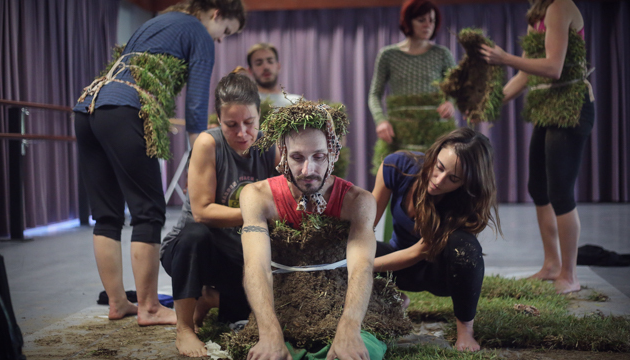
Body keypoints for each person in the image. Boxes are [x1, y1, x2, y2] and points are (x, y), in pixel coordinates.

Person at [72, 0, 246, 326]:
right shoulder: (199, 33)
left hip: (88, 107)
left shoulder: (159, 23)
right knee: (148, 212)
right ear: (217, 13)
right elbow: (196, 102)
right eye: (225, 32)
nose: (220, 39)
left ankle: (117, 303)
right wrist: (204, 154)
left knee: (107, 215)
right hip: (125, 110)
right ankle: (149, 307)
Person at [238, 101, 404, 360]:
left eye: (318, 157)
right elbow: (256, 266)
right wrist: (270, 333)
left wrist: (349, 327)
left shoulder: (357, 202)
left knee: (357, 353)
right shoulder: (257, 196)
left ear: (333, 153)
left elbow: (361, 266)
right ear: (283, 154)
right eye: (297, 158)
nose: (308, 170)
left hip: (340, 294)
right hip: (285, 300)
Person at [160, 72, 279, 357]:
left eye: (249, 123)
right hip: (191, 252)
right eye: (231, 125)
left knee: (241, 316)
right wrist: (258, 213)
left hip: (241, 256)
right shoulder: (208, 143)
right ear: (218, 120)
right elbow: (201, 212)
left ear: (259, 116)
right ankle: (184, 329)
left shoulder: (269, 146)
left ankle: (209, 298)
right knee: (195, 234)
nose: (242, 133)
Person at [480, 0, 594, 294]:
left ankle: (569, 275)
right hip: (548, 107)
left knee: (560, 192)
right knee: (538, 189)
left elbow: (553, 67)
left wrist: (505, 58)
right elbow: (526, 74)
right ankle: (552, 265)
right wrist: (489, 105)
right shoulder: (537, 16)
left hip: (572, 106)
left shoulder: (560, 6)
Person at [371, 128, 501, 351]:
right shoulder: (397, 166)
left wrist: (362, 266)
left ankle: (465, 331)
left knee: (465, 248)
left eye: (453, 178)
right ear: (435, 153)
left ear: (466, 182)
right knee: (345, 246)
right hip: (397, 266)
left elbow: (418, 253)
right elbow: (366, 225)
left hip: (437, 274)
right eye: (439, 167)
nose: (439, 180)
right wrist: (352, 259)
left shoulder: (462, 204)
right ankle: (390, 296)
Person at [369, 0, 456, 145]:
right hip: (399, 134)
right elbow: (374, 94)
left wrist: (450, 103)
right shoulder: (388, 55)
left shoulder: (442, 54)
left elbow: (456, 89)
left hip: (437, 133)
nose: (428, 25)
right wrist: (381, 121)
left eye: (432, 20)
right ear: (408, 21)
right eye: (421, 20)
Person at [247, 43, 302, 107]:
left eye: (270, 61)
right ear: (250, 70)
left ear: (278, 66)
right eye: (259, 63)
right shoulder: (244, 102)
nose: (266, 67)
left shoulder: (297, 102)